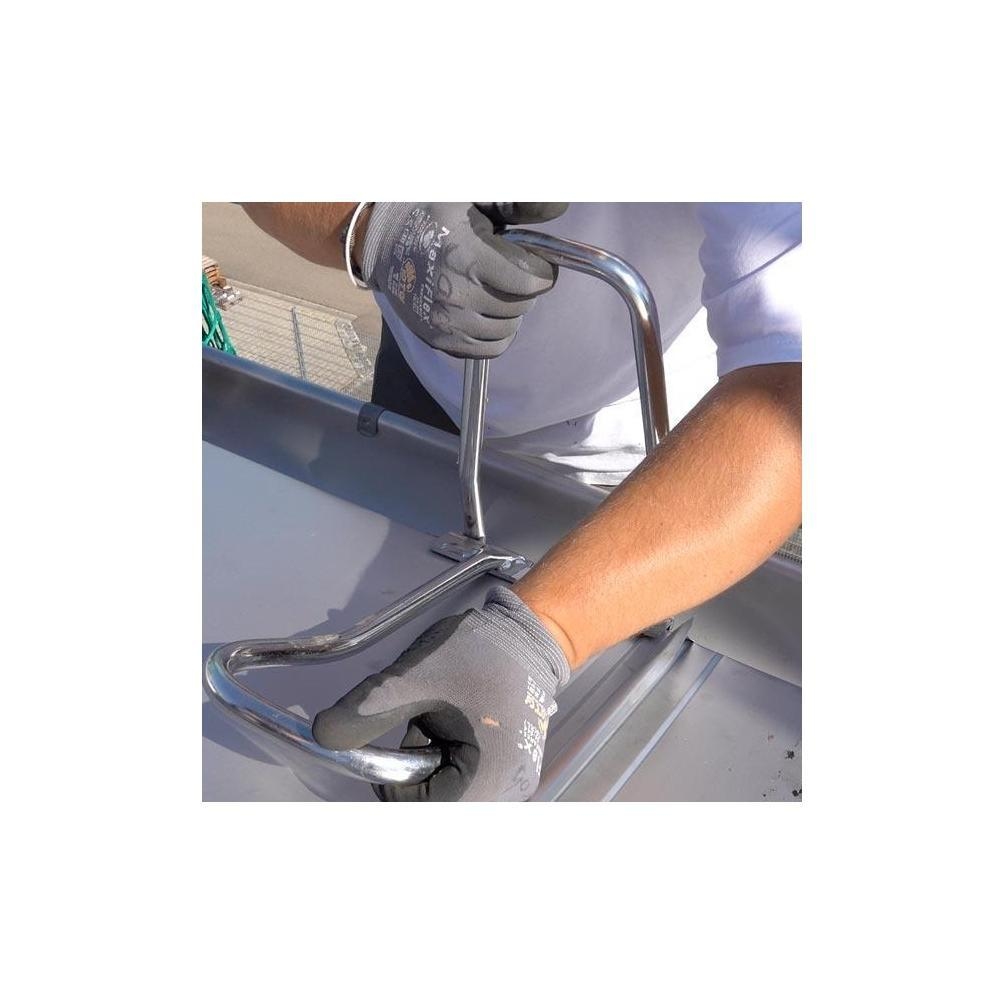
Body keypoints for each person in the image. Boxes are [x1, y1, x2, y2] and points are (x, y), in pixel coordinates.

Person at [240, 202, 802, 801]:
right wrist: (374, 228)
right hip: (425, 389)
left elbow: (796, 388)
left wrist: (538, 637)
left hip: (650, 468)